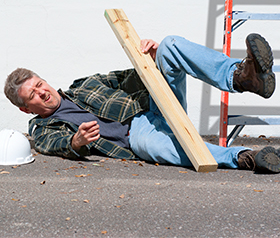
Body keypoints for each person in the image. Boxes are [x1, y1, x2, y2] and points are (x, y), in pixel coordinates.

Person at [4, 33, 280, 173]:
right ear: (25, 108)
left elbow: (131, 77)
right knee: (152, 145)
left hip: (154, 105)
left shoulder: (83, 85)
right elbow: (53, 145)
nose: (42, 93)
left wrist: (152, 57)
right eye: (33, 96)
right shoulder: (42, 127)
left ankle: (242, 77)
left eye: (39, 84)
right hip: (136, 135)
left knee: (170, 44)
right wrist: (75, 142)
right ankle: (245, 157)